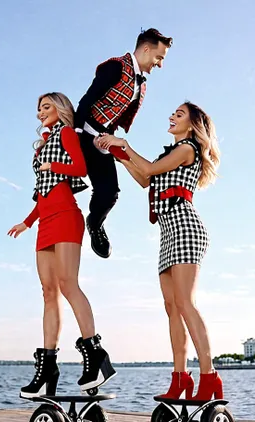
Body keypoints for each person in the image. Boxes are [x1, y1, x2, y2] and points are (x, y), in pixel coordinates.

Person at [96, 102, 223, 401]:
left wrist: (124, 144)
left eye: (179, 114)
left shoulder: (187, 149)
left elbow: (150, 169)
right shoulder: (169, 153)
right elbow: (145, 179)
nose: (171, 116)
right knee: (171, 308)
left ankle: (209, 377)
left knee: (185, 303)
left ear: (192, 125)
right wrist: (117, 153)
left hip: (185, 228)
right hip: (168, 233)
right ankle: (180, 379)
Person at [8, 92, 116, 399]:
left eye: (46, 106)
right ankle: (48, 366)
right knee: (48, 293)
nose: (40, 112)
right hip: (45, 222)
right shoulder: (43, 144)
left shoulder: (66, 133)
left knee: (69, 284)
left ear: (60, 108)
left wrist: (53, 166)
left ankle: (95, 353)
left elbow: (80, 169)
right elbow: (42, 192)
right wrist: (27, 222)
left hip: (67, 217)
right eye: (38, 108)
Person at [75, 28, 173, 259]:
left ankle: (95, 223)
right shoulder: (116, 66)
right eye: (159, 58)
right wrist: (77, 134)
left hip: (105, 139)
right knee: (73, 172)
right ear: (146, 49)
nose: (160, 64)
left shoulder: (142, 83)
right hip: (85, 132)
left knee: (109, 193)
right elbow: (87, 99)